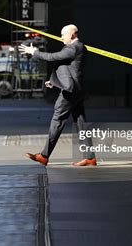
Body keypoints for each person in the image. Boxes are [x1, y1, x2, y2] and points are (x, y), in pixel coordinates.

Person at [19, 24, 96, 166]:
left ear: (72, 35)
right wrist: (54, 81)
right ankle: (90, 157)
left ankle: (44, 155)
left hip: (70, 92)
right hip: (77, 90)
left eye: (63, 35)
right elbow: (67, 68)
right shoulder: (78, 47)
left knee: (57, 120)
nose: (61, 37)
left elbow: (52, 57)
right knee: (81, 123)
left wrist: (34, 51)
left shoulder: (74, 47)